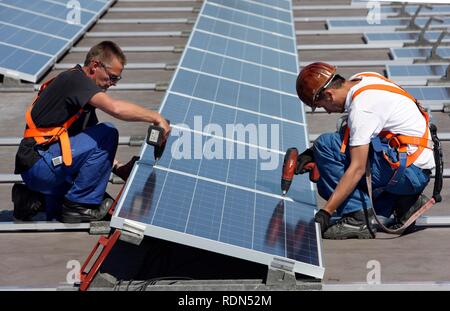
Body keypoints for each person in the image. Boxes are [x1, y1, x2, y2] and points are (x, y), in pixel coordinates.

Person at [12, 41, 170, 223]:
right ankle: (78, 206)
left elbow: (90, 149)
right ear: (95, 66)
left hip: (40, 167)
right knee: (108, 132)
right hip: (40, 164)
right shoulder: (75, 80)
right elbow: (116, 109)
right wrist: (156, 117)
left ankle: (31, 199)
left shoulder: (81, 97)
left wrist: (118, 168)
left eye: (116, 79)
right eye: (112, 77)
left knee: (105, 204)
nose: (113, 84)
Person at [294, 62, 435, 239]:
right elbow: (353, 133)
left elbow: (357, 168)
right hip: (415, 163)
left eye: (323, 106)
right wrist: (312, 153)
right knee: (328, 165)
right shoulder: (364, 79)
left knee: (326, 144)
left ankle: (358, 219)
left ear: (329, 95)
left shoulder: (362, 108)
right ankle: (405, 202)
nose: (328, 112)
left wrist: (326, 212)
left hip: (409, 170)